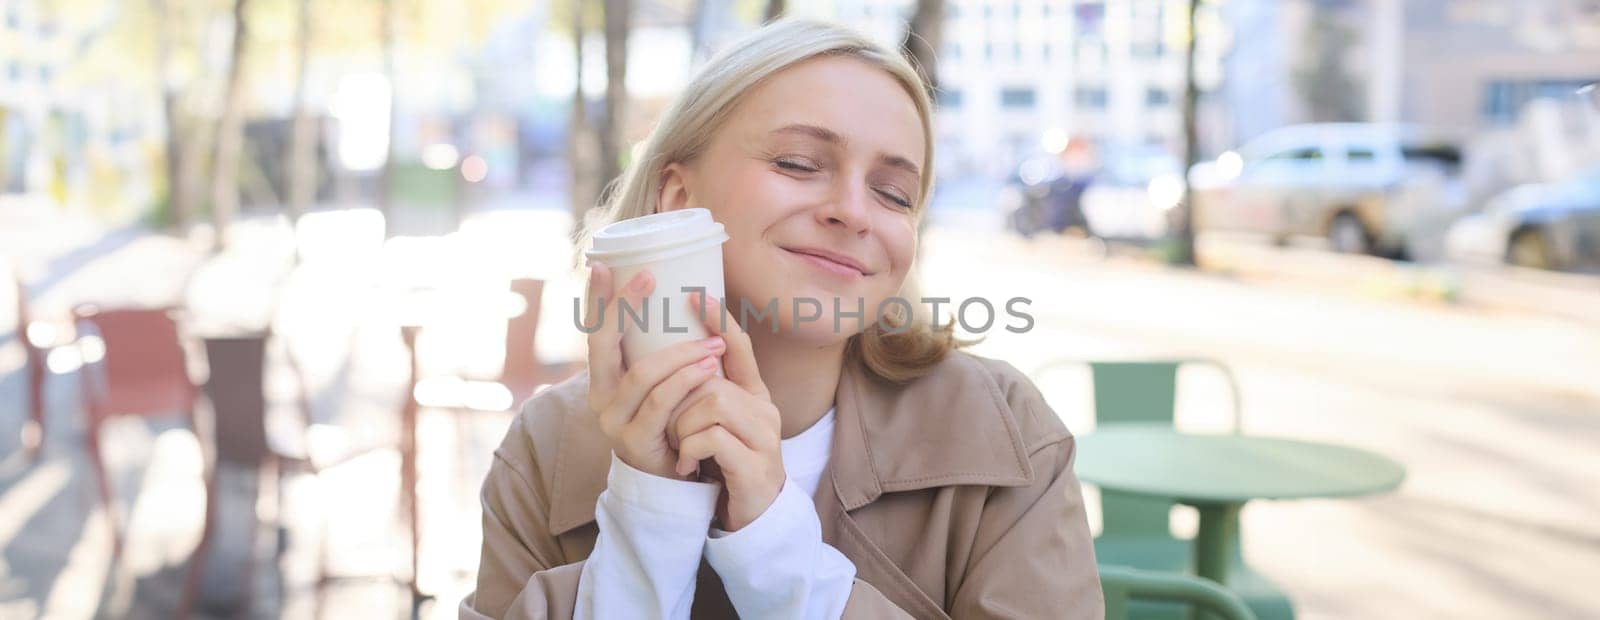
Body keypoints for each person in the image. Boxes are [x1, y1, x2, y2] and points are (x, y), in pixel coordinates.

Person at [461, 19, 1101, 620]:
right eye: (798, 163)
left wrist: (775, 547)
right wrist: (649, 516)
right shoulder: (545, 447)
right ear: (678, 198)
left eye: (894, 194)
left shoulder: (1007, 431)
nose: (854, 212)